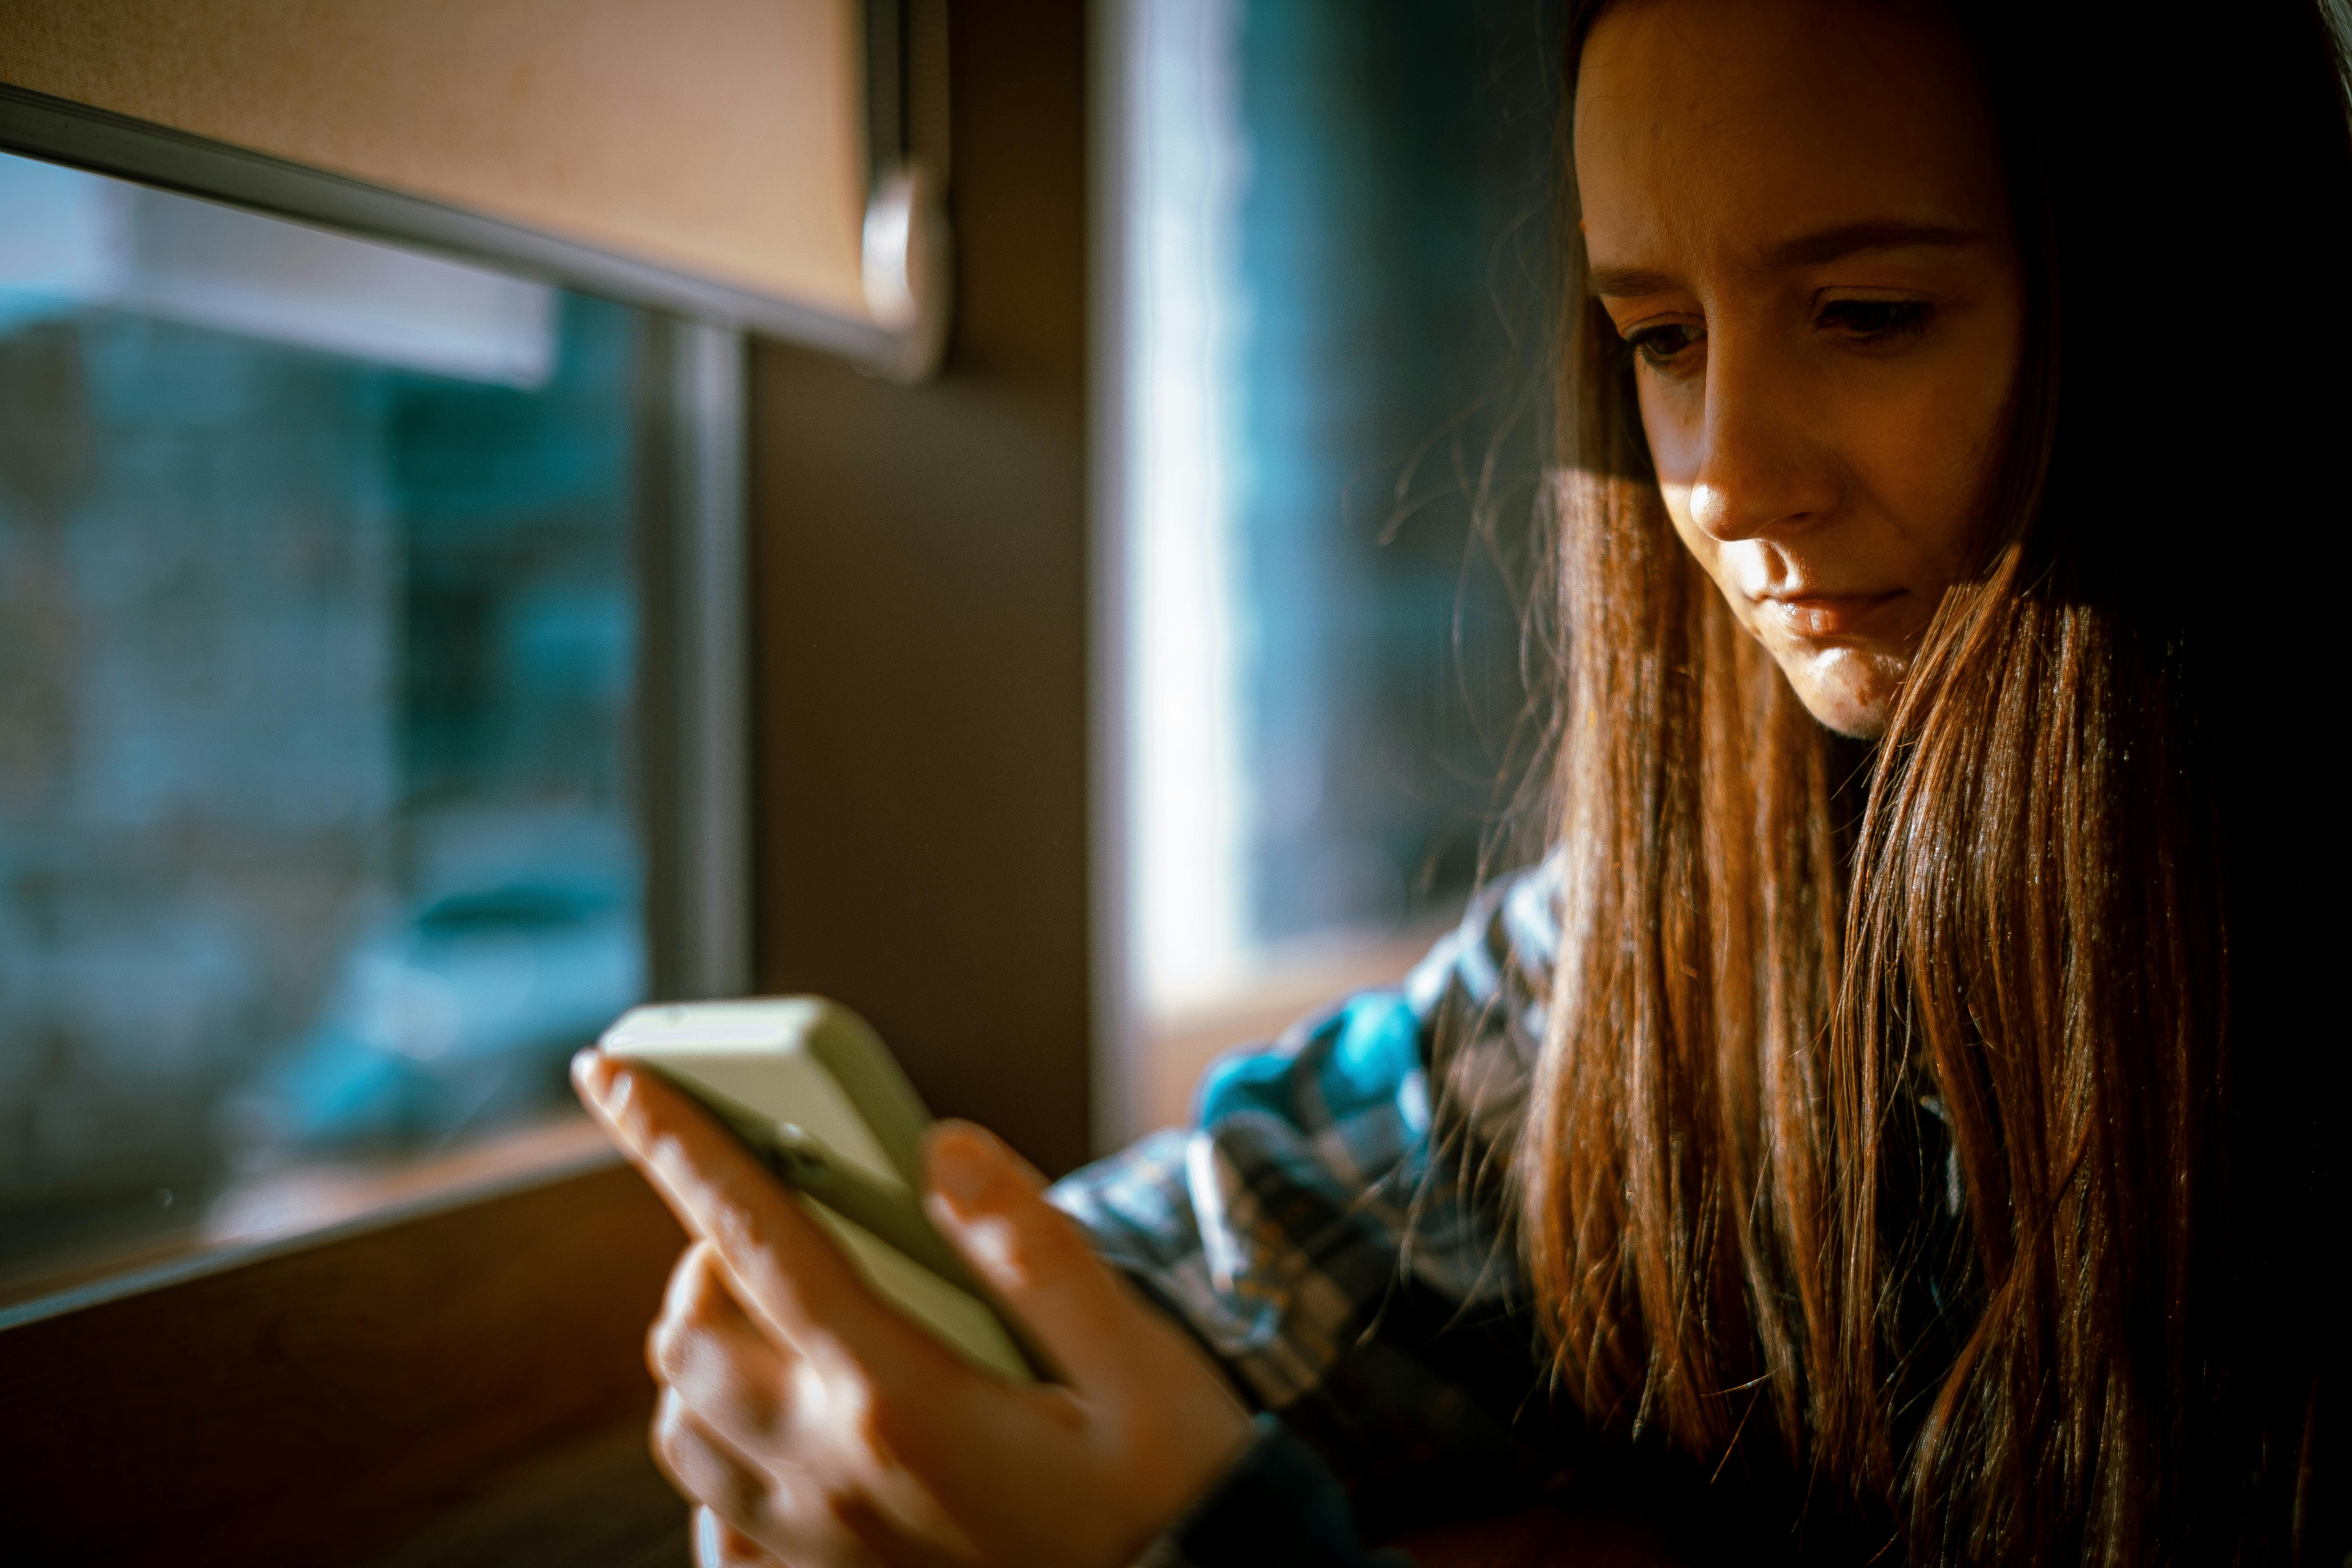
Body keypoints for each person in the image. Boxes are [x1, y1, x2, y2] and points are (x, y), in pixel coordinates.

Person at [571, 1, 2350, 1562]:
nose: (1723, 476)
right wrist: (849, 1394)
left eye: (1869, 312)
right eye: (1660, 338)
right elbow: (1208, 1255)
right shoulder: (1643, 970)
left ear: (2179, 305)